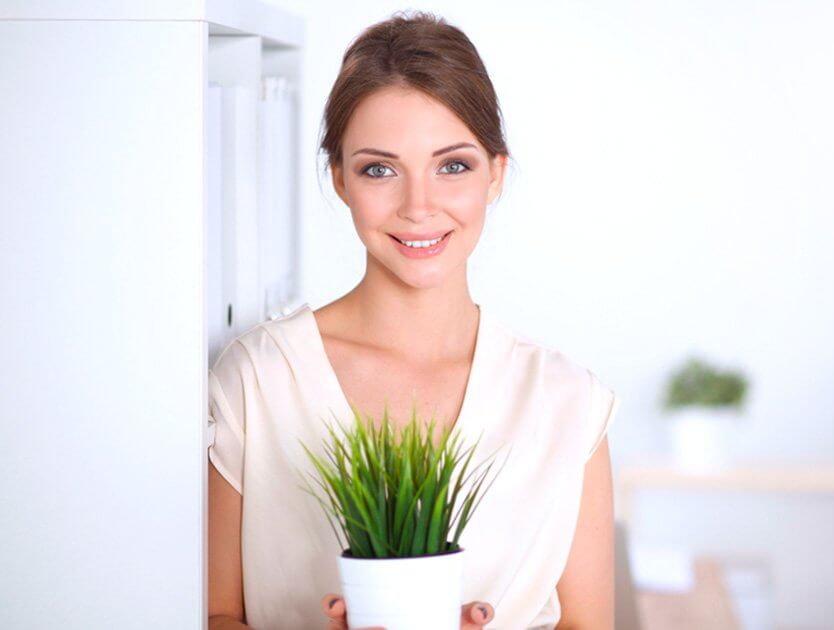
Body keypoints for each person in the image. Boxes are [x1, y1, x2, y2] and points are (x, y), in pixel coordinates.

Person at [207, 10, 620, 629]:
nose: (419, 207)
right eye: (380, 169)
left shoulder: (566, 402)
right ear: (340, 179)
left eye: (452, 165)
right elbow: (213, 614)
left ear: (495, 174)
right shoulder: (258, 380)